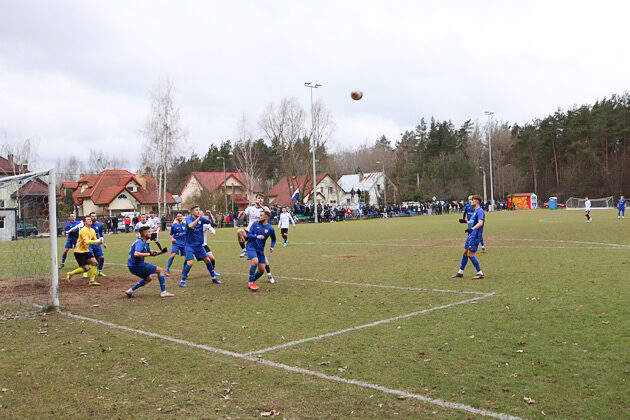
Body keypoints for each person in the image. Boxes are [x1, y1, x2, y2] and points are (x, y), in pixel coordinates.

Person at [124, 225, 173, 298]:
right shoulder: (140, 242)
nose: (151, 233)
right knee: (160, 270)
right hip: (137, 265)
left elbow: (152, 253)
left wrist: (162, 252)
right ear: (144, 234)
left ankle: (130, 290)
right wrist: (148, 254)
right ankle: (164, 292)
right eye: (149, 232)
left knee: (148, 279)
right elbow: (136, 254)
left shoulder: (144, 243)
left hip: (132, 266)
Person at [180, 206, 220, 288]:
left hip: (199, 246)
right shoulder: (189, 218)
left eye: (199, 209)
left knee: (208, 260)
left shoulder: (202, 219)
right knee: (190, 262)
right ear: (192, 212)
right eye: (196, 210)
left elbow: (212, 223)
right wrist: (199, 218)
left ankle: (214, 278)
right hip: (189, 245)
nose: (198, 211)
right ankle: (182, 281)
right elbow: (191, 226)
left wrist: (210, 215)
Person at [451, 195, 485, 280]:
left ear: (477, 201)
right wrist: (466, 222)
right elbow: (473, 222)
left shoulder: (480, 211)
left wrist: (472, 229)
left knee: (470, 254)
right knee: (465, 253)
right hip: (471, 235)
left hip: (475, 235)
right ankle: (460, 272)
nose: (471, 201)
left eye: (472, 200)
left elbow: (480, 223)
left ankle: (480, 273)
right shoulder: (475, 211)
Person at [65, 216, 103, 286]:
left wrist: (100, 242)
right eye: (88, 219)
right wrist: (96, 241)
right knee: (86, 268)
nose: (90, 220)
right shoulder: (83, 230)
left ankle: (92, 281)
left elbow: (95, 241)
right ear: (84, 222)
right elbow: (87, 242)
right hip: (79, 251)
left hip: (86, 250)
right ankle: (70, 273)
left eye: (90, 219)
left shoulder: (92, 230)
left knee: (95, 263)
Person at [246, 207, 276, 291]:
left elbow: (274, 239)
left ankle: (251, 280)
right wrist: (257, 236)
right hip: (251, 247)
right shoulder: (255, 224)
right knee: (255, 261)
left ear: (266, 217)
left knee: (262, 270)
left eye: (261, 215)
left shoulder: (270, 228)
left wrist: (272, 246)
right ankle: (250, 283)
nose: (259, 217)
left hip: (260, 250)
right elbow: (248, 235)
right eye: (260, 215)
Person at [236, 193, 265, 257]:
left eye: (262, 198)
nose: (260, 199)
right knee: (239, 231)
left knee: (258, 255)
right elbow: (241, 217)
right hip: (249, 231)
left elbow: (268, 213)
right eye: (259, 198)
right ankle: (244, 249)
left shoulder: (264, 208)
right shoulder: (250, 208)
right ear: (255, 199)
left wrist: (260, 205)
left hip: (259, 232)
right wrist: (240, 215)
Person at [81, 212, 107, 278]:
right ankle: (86, 272)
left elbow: (101, 235)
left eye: (95, 216)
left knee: (101, 257)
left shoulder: (99, 225)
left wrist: (103, 242)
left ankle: (100, 271)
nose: (94, 217)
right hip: (89, 244)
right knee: (90, 257)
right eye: (92, 216)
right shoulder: (87, 226)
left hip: (97, 244)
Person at [166, 211, 186, 276]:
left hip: (184, 243)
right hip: (176, 243)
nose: (179, 217)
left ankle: (184, 270)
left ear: (182, 217)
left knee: (187, 258)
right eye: (178, 216)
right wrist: (172, 239)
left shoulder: (186, 225)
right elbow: (171, 234)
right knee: (173, 255)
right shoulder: (174, 226)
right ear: (176, 217)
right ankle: (167, 270)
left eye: (180, 216)